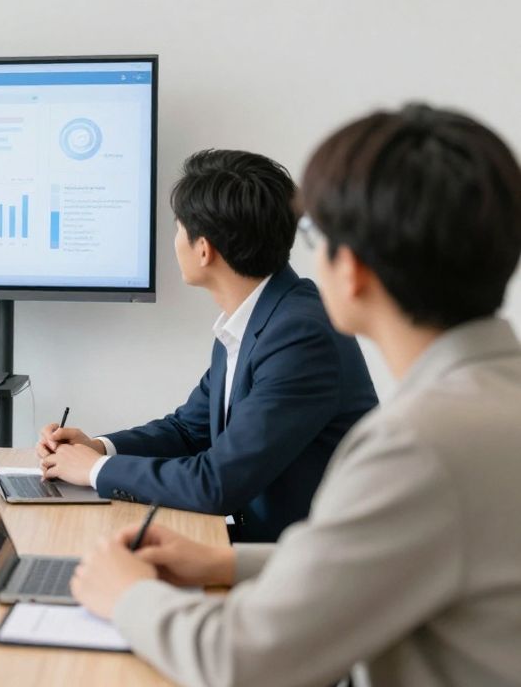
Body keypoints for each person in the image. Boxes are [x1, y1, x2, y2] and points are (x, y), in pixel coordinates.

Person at [70, 104, 521, 686]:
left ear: (351, 268)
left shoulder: (418, 446)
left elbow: (243, 662)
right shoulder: (487, 403)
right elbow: (391, 554)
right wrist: (224, 561)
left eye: (315, 236)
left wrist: (126, 596)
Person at [36, 150, 377, 541]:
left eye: (179, 227)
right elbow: (188, 430)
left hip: (300, 564)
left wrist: (94, 471)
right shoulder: (259, 316)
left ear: (204, 248)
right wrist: (99, 447)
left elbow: (216, 484)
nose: (175, 239)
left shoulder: (300, 337)